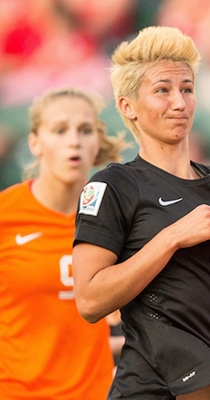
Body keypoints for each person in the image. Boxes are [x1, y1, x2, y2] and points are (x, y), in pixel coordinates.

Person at [72, 26, 210, 400]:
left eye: (187, 89)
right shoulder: (113, 186)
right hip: (145, 385)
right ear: (127, 105)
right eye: (162, 90)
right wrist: (172, 237)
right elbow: (90, 301)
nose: (178, 102)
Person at [0, 87, 127, 399]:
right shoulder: (6, 215)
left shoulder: (119, 216)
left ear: (96, 142)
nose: (74, 141)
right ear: (35, 142)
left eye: (85, 130)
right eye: (59, 130)